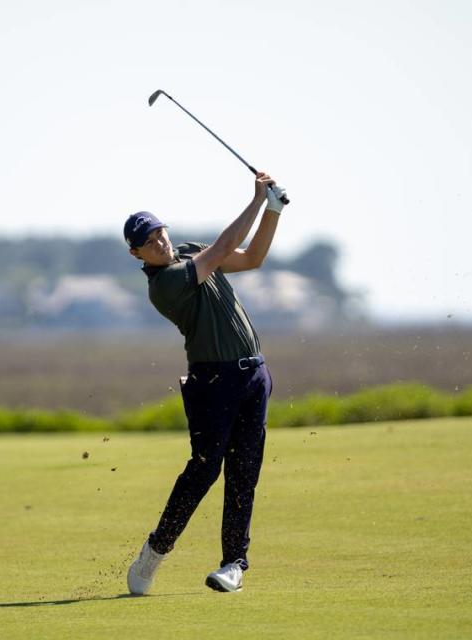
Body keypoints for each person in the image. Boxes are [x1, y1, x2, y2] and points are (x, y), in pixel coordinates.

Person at [123, 172, 287, 594]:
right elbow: (221, 251)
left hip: (254, 376)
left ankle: (233, 564)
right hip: (213, 381)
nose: (159, 242)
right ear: (135, 252)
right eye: (148, 240)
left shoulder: (189, 253)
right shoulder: (165, 285)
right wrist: (255, 201)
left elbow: (250, 259)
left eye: (159, 232)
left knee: (244, 472)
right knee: (204, 470)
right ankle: (155, 552)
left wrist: (273, 210)